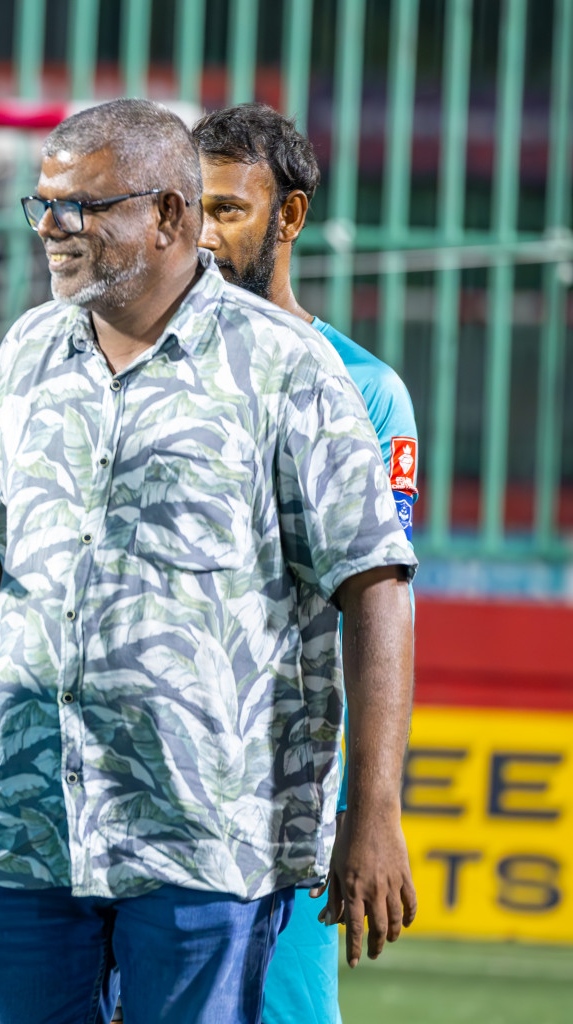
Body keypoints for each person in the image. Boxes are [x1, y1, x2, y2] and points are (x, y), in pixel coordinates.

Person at [0, 98, 418, 1023]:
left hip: (204, 844)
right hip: (22, 834)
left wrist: (375, 813)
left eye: (84, 206)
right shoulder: (26, 352)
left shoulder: (290, 370)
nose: (54, 230)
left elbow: (376, 586)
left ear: (170, 217)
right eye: (44, 206)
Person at [192, 101, 421, 1024]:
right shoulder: (142, 369)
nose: (202, 238)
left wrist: (371, 809)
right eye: (188, 210)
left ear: (288, 218)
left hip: (282, 813)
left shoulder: (364, 392)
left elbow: (381, 599)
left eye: (227, 211)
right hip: (146, 812)